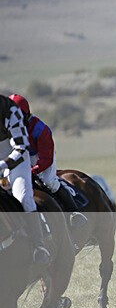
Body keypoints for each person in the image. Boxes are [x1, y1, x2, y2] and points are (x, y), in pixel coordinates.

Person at [9, 94, 86, 229]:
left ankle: (74, 213)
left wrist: (34, 170)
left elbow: (46, 158)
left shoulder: (41, 130)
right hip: (19, 156)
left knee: (49, 182)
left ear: (26, 115)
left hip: (40, 156)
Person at [0, 95, 50, 265]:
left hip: (18, 162)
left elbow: (21, 148)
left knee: (23, 198)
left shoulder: (10, 112)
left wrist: (2, 166)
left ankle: (38, 246)